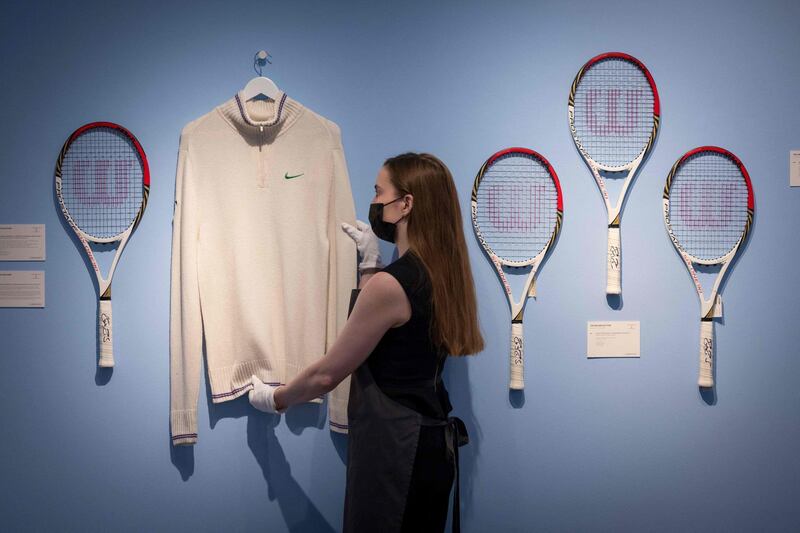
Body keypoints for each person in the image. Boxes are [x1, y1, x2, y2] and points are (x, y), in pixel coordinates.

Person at [249, 152, 484, 533]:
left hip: (397, 452)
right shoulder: (442, 274)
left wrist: (274, 399)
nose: (374, 202)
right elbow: (392, 343)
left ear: (405, 204)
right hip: (430, 447)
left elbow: (328, 374)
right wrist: (370, 266)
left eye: (379, 192)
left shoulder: (392, 286)